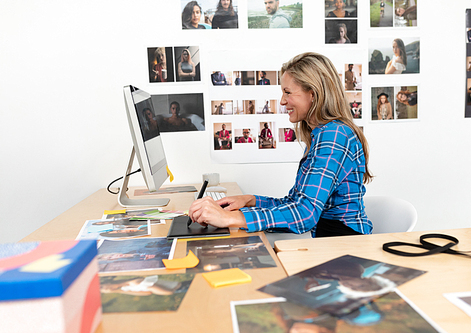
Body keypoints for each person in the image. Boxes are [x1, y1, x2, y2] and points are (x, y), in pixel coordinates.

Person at [188, 52, 373, 238]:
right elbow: (296, 202)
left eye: (288, 92)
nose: (283, 101)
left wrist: (231, 218)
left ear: (313, 95)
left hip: (346, 245)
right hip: (330, 239)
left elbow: (305, 214)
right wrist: (250, 200)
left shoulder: (334, 135)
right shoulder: (323, 133)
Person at [100, 275, 190, 296]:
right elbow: (147, 293)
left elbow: (152, 288)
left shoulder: (134, 282)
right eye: (103, 291)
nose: (105, 290)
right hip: (178, 288)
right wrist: (117, 290)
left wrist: (170, 292)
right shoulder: (125, 288)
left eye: (102, 287)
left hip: (180, 287)